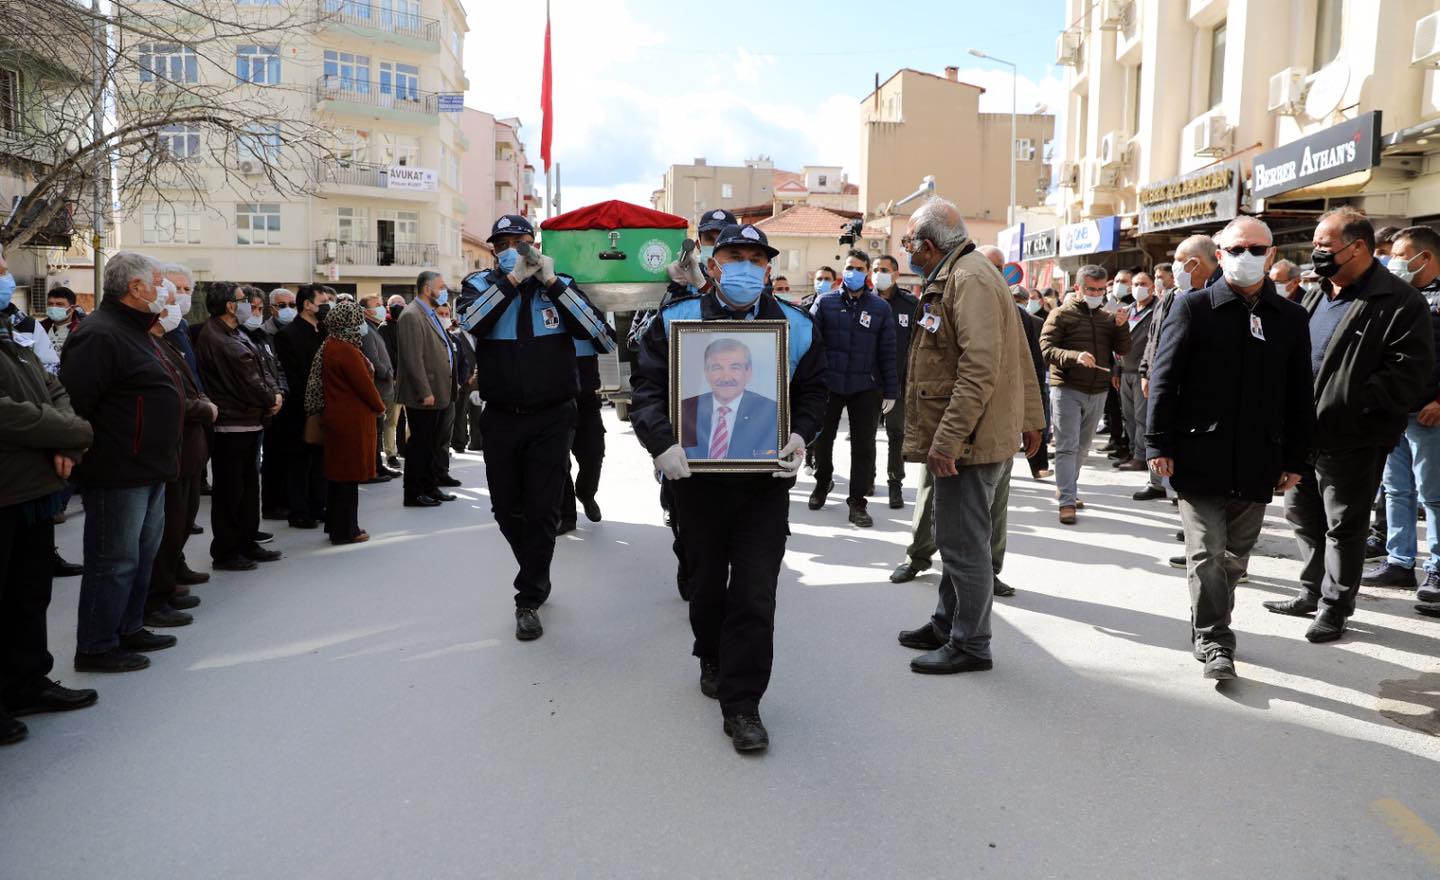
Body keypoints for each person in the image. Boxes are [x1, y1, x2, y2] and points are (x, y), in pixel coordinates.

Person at [630, 222, 827, 752]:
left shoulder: (796, 326)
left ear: (768, 268)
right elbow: (646, 389)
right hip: (695, 481)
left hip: (763, 483)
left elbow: (815, 392)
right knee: (706, 582)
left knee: (756, 592)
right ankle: (711, 653)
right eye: (735, 257)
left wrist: (801, 436)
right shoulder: (676, 321)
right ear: (714, 265)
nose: (746, 267)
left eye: (756, 260)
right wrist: (661, 443)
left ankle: (743, 706)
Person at [1147, 218, 1314, 680]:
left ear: (1271, 254)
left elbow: (1300, 393)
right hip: (1199, 453)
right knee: (1206, 553)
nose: (1247, 257)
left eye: (1257, 249)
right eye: (1238, 248)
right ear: (1220, 256)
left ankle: (1206, 619)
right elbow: (1164, 380)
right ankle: (1216, 638)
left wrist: (1296, 458)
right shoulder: (1193, 308)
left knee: (1234, 558)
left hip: (1259, 458)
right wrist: (1158, 443)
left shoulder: (1291, 318)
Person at [1263, 208, 1436, 642]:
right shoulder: (1317, 293)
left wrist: (1351, 406)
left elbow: (1407, 374)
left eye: (1324, 246)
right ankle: (1311, 590)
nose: (1317, 253)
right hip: (1304, 433)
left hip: (1353, 436)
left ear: (1357, 247)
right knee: (1302, 515)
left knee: (1344, 526)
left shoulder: (1400, 301)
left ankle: (1335, 607)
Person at [895, 198, 1042, 675]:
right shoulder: (964, 272)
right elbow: (1016, 353)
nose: (906, 250)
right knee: (958, 538)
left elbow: (980, 368)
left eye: (909, 242)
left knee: (963, 544)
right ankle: (947, 623)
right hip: (972, 435)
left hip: (969, 441)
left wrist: (948, 440)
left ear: (929, 245)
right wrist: (1031, 418)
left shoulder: (970, 278)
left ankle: (971, 644)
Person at [456, 214, 615, 642]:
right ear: (493, 251)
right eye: (502, 244)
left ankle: (528, 596)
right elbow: (471, 323)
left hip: (552, 415)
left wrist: (552, 283)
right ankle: (533, 568)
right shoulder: (478, 285)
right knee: (506, 509)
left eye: (520, 242)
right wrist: (511, 282)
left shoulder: (560, 283)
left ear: (535, 243)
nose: (512, 249)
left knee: (544, 510)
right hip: (501, 415)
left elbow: (600, 335)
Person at [59, 252, 185, 672]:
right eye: (159, 282)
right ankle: (97, 645)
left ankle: (129, 626)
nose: (166, 290)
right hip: (118, 469)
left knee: (141, 554)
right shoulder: (100, 333)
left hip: (149, 467)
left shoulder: (136, 330)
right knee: (113, 560)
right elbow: (76, 402)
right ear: (136, 287)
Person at [0, 267, 96, 745]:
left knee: (29, 592)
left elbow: (52, 386)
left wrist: (68, 437)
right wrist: (72, 431)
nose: (6, 277)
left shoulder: (12, 332)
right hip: (7, 487)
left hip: (32, 489)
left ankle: (27, 683)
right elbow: (6, 412)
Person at [1362, 226, 1440, 597]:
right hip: (1394, 410)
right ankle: (1399, 562)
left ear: (1425, 257)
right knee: (1396, 491)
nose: (1392, 261)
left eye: (1400, 254)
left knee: (1433, 496)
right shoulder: (1395, 295)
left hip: (1429, 414)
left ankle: (1436, 569)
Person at [197, 281, 284, 572]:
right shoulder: (219, 338)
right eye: (242, 300)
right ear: (230, 306)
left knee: (247, 489)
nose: (248, 305)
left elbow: (263, 367)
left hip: (248, 420)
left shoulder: (235, 332)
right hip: (232, 423)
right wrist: (271, 398)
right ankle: (227, 550)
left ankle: (247, 541)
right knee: (230, 491)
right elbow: (248, 379)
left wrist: (274, 393)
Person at [806, 248, 897, 526]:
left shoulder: (880, 308)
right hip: (829, 384)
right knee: (822, 440)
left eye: (859, 268)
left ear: (866, 273)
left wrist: (891, 391)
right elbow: (811, 344)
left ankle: (857, 502)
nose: (853, 272)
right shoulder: (825, 302)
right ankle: (823, 481)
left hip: (866, 387)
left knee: (863, 447)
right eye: (849, 267)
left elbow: (888, 351)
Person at [144, 281, 214, 627]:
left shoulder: (170, 340)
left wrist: (202, 402)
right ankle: (158, 594)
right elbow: (170, 396)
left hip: (188, 447)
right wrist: (204, 407)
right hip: (172, 446)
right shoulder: (148, 344)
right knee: (168, 526)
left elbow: (190, 384)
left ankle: (168, 580)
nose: (175, 306)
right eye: (170, 300)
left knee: (181, 521)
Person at [1040, 265, 1132, 524]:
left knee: (1082, 448)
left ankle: (1067, 486)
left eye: (1101, 290)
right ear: (1078, 287)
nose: (1096, 294)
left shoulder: (1106, 317)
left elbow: (1123, 350)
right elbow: (1046, 349)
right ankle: (1067, 501)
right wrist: (1074, 357)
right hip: (1067, 388)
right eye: (1091, 289)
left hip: (1098, 390)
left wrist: (1121, 327)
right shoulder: (1060, 314)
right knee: (1067, 447)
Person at [306, 301, 386, 544]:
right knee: (347, 479)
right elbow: (365, 386)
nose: (362, 324)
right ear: (348, 322)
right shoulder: (345, 350)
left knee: (340, 477)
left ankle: (336, 525)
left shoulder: (333, 344)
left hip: (340, 419)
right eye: (358, 320)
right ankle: (346, 530)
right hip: (350, 421)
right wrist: (380, 407)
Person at [274, 284, 331, 528]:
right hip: (299, 409)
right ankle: (299, 511)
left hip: (324, 406)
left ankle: (318, 506)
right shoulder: (287, 335)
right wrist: (310, 403)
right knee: (299, 462)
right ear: (307, 305)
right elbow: (292, 375)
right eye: (322, 303)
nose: (326, 307)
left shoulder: (325, 331)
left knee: (320, 461)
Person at [397, 272, 455, 509]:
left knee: (431, 444)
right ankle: (414, 493)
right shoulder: (412, 315)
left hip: (439, 390)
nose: (444, 291)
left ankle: (430, 487)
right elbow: (413, 358)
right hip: (425, 394)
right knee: (420, 445)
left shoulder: (429, 313)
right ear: (427, 289)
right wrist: (424, 391)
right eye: (441, 287)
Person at [678, 337, 779, 459]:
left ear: (748, 373)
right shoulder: (684, 410)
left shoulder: (772, 413)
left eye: (735, 368)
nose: (726, 377)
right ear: (706, 373)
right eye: (717, 368)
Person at [872, 254, 918, 508]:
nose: (878, 273)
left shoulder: (910, 304)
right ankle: (867, 479)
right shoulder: (864, 301)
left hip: (898, 382)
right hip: (868, 382)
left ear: (896, 275)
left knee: (896, 434)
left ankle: (895, 483)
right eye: (875, 269)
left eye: (884, 269)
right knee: (865, 435)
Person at [1117, 271, 1166, 501]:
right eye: (1135, 284)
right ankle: (1131, 452)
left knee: (1141, 417)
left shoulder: (1158, 309)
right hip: (1124, 371)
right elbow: (1116, 342)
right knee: (1128, 416)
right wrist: (1116, 370)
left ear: (1152, 286)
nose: (1138, 287)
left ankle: (1141, 456)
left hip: (1142, 372)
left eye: (1143, 284)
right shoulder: (1126, 310)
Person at [561, 330, 615, 532]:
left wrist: (590, 319)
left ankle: (586, 493)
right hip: (554, 401)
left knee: (594, 452)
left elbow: (610, 343)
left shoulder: (587, 317)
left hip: (587, 400)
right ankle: (566, 515)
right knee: (558, 461)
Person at [356, 294, 398, 484]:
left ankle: (378, 466)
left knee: (378, 429)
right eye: (377, 305)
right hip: (378, 389)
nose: (382, 308)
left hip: (384, 389)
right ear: (366, 311)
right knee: (374, 430)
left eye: (382, 304)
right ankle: (373, 468)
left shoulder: (374, 328)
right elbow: (372, 360)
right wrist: (388, 373)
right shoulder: (366, 331)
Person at [431, 302, 464, 490]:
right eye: (440, 314)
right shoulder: (429, 337)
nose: (444, 317)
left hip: (450, 395)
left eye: (446, 314)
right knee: (432, 437)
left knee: (445, 436)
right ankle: (429, 475)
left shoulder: (453, 339)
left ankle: (442, 472)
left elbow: (463, 363)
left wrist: (459, 382)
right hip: (433, 395)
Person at [380, 294, 407, 468]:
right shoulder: (384, 328)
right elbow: (388, 356)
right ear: (388, 307)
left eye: (401, 303)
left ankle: (407, 448)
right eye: (394, 304)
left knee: (411, 420)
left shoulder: (408, 325)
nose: (398, 306)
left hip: (410, 381)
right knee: (392, 421)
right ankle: (391, 454)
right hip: (395, 381)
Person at [40, 286, 84, 356]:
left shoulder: (81, 331)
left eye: (59, 304)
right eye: (50, 304)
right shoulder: (40, 327)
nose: (54, 308)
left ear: (72, 308)